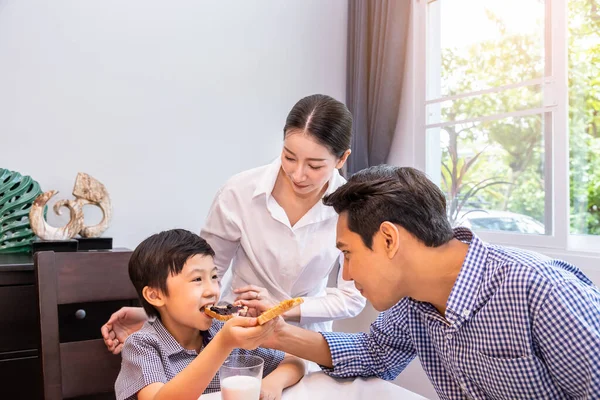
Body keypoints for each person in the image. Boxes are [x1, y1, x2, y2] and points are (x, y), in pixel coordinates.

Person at [248, 165, 600, 399]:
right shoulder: (414, 301)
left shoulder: (543, 292)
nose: (349, 275)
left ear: (388, 240)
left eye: (349, 254)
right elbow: (373, 354)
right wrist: (277, 333)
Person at [102, 94, 366, 354]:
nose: (298, 174)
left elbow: (352, 298)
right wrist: (155, 316)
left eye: (315, 165)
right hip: (235, 335)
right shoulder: (239, 192)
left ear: (342, 159)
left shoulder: (351, 207)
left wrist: (280, 307)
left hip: (306, 345)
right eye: (289, 157)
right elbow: (204, 272)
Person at [114, 229, 304, 400]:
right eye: (197, 279)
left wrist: (272, 383)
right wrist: (223, 343)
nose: (212, 290)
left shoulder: (220, 330)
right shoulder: (142, 345)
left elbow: (295, 360)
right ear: (155, 295)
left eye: (214, 277)